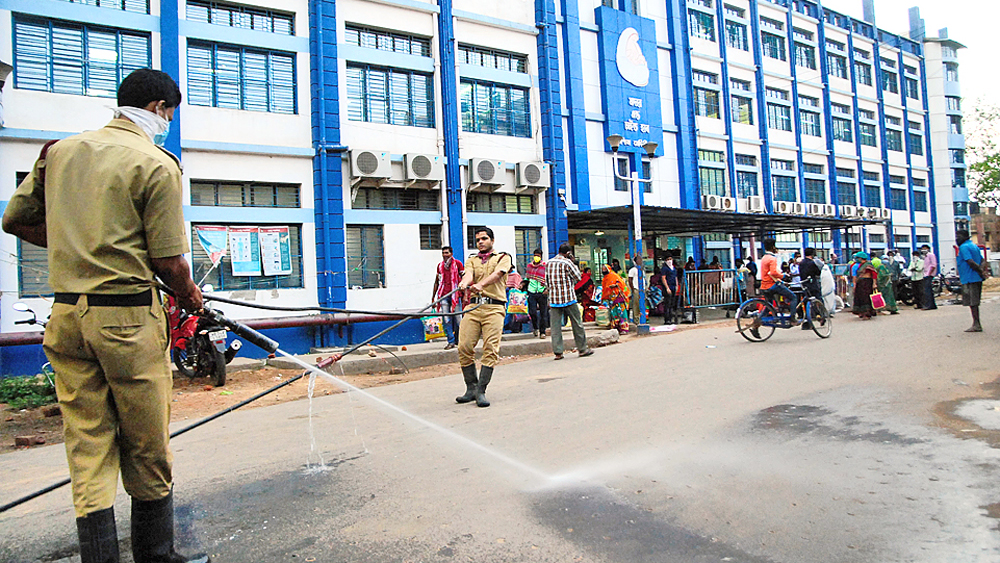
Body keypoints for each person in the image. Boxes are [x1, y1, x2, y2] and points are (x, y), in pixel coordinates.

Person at [2, 69, 208, 563]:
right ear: (160, 108)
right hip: (127, 321)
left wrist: (79, 244)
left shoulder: (59, 152)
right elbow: (169, 261)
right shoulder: (155, 163)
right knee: (146, 442)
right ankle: (156, 557)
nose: (169, 123)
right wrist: (190, 296)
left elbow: (15, 219)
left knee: (88, 441)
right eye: (170, 115)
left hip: (67, 318)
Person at [456, 227, 512, 408]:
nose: (480, 242)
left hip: (494, 308)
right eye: (478, 239)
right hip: (473, 306)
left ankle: (481, 390)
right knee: (464, 346)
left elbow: (497, 275)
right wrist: (464, 283)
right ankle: (470, 388)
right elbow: (469, 274)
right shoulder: (472, 259)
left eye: (484, 238)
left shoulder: (503, 258)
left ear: (492, 241)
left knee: (490, 348)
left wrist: (480, 284)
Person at [545, 243, 594, 360]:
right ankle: (582, 349)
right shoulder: (567, 263)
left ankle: (558, 352)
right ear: (568, 253)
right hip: (568, 298)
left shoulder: (549, 263)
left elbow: (546, 282)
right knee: (577, 323)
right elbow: (578, 277)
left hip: (554, 299)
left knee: (555, 327)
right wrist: (573, 262)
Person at [755, 238, 799, 333]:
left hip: (764, 285)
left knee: (768, 306)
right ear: (773, 246)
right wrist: (783, 276)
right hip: (772, 285)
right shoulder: (772, 258)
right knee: (793, 297)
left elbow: (769, 273)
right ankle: (792, 318)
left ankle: (756, 324)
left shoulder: (764, 258)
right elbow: (774, 272)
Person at [431, 246, 464, 350]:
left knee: (459, 320)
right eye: (443, 253)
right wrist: (433, 297)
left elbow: (464, 279)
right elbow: (437, 281)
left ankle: (461, 340)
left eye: (447, 253)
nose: (445, 255)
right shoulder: (440, 266)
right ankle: (451, 341)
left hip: (455, 295)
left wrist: (465, 295)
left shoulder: (458, 264)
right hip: (444, 295)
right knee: (446, 319)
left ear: (451, 253)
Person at [956, 229, 989, 332]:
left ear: (964, 236)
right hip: (975, 278)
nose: (957, 239)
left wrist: (980, 271)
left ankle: (976, 324)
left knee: (972, 302)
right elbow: (982, 260)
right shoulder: (974, 246)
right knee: (974, 301)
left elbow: (969, 261)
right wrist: (981, 270)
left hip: (969, 278)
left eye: (958, 236)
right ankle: (976, 323)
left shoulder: (964, 247)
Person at [524, 248, 549, 339]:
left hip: (542, 292)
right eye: (535, 255)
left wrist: (547, 289)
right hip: (532, 291)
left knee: (543, 313)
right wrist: (522, 284)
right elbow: (527, 278)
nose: (536, 257)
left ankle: (542, 332)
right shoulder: (530, 266)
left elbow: (549, 279)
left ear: (541, 256)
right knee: (532, 312)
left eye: (538, 256)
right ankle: (535, 328)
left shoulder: (545, 266)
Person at [600, 264, 631, 332]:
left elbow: (621, 284)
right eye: (602, 269)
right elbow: (604, 289)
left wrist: (615, 285)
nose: (603, 270)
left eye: (605, 269)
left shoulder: (614, 276)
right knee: (613, 313)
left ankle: (624, 328)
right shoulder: (605, 279)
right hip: (611, 299)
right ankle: (615, 327)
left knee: (621, 312)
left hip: (618, 297)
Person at [852, 252, 878, 320]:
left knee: (866, 298)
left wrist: (874, 283)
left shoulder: (868, 265)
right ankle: (861, 312)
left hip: (867, 282)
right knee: (859, 297)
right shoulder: (860, 265)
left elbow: (874, 274)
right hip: (860, 283)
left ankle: (867, 313)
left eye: (858, 258)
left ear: (861, 258)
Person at [660, 255, 680, 324]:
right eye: (668, 259)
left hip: (673, 287)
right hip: (668, 288)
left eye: (671, 259)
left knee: (672, 303)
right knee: (667, 304)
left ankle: (672, 318)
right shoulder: (664, 269)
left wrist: (677, 285)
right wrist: (667, 287)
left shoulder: (673, 268)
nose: (669, 260)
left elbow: (675, 277)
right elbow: (663, 278)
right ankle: (667, 319)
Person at [920, 245, 938, 311]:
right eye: (922, 249)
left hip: (929, 275)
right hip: (925, 274)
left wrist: (929, 273)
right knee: (928, 290)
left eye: (924, 248)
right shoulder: (924, 257)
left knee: (927, 291)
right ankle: (932, 305)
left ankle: (928, 305)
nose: (923, 250)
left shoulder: (931, 255)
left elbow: (933, 265)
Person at [627, 256, 644, 323]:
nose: (640, 261)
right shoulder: (633, 270)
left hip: (642, 289)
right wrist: (633, 288)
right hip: (636, 289)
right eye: (639, 259)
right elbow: (630, 280)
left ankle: (642, 318)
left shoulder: (642, 270)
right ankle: (636, 320)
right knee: (636, 305)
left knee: (642, 304)